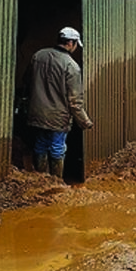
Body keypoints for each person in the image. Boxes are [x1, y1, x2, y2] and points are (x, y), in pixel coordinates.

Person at [26, 27, 94, 177]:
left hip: (37, 113)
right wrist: (85, 122)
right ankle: (56, 182)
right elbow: (75, 102)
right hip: (58, 117)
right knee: (57, 148)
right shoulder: (71, 66)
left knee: (40, 145)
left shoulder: (38, 55)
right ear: (70, 43)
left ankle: (40, 179)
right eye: (75, 44)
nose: (75, 48)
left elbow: (27, 81)